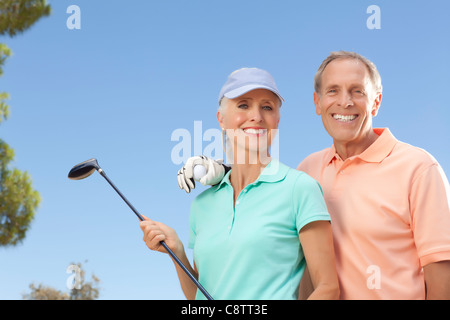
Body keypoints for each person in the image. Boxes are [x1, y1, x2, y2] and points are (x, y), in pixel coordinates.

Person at [178, 52, 450, 300]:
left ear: (376, 102)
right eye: (333, 91)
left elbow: (443, 280)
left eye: (357, 91)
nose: (345, 101)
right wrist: (221, 170)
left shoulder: (418, 169)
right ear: (317, 103)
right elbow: (264, 187)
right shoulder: (308, 170)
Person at [141, 67, 339, 300]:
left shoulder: (299, 188)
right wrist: (177, 252)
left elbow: (328, 288)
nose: (256, 116)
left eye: (267, 107)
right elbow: (199, 297)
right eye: (243, 105)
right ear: (221, 119)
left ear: (277, 119)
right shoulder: (202, 205)